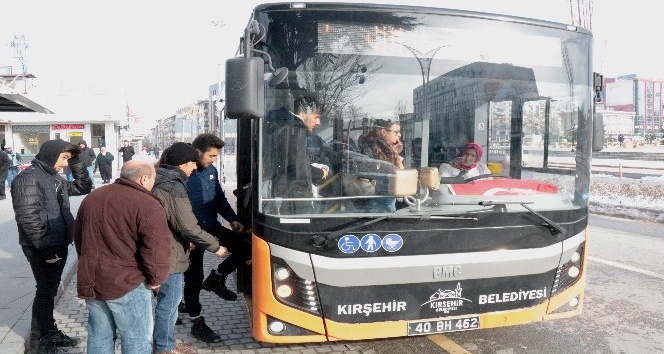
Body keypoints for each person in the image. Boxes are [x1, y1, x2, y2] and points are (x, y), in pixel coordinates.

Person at [74, 160, 171, 353]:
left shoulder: (93, 197)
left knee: (99, 337)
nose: (154, 183)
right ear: (144, 178)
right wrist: (156, 279)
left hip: (92, 280)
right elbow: (156, 247)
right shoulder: (147, 203)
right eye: (153, 179)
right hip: (128, 283)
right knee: (136, 339)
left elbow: (79, 238)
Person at [11, 139, 92, 354]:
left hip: (57, 242)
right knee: (45, 291)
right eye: (64, 158)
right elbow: (29, 218)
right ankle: (39, 342)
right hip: (43, 246)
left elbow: (84, 185)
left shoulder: (53, 177)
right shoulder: (27, 179)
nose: (65, 163)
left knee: (50, 290)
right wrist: (47, 249)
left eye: (68, 159)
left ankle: (49, 332)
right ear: (50, 154)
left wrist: (76, 161)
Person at [151, 142, 228, 354]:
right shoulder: (173, 186)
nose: (194, 168)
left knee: (169, 303)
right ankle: (164, 347)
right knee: (169, 305)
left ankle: (165, 343)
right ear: (183, 163)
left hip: (166, 247)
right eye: (192, 163)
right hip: (172, 251)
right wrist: (216, 248)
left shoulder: (161, 178)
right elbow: (187, 225)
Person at [180, 133, 251, 343]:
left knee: (246, 248)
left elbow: (218, 197)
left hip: (212, 227)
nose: (214, 159)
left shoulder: (210, 170)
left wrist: (232, 218)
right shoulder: (183, 173)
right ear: (197, 152)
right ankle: (196, 320)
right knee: (193, 278)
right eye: (211, 155)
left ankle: (216, 278)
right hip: (191, 236)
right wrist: (185, 236)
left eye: (216, 156)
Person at [267, 94, 329, 214]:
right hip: (295, 202)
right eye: (316, 117)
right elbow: (298, 169)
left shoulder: (289, 128)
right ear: (303, 112)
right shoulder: (294, 132)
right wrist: (321, 173)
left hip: (292, 198)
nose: (318, 122)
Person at [356, 119, 404, 212]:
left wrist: (395, 154)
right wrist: (396, 158)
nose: (399, 135)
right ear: (383, 132)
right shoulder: (372, 149)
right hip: (378, 201)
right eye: (396, 132)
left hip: (383, 199)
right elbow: (382, 173)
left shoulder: (385, 149)